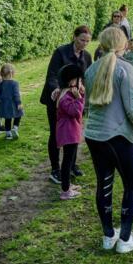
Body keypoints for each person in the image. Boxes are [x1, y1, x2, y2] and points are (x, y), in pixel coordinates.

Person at [83, 27, 133, 253]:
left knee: (104, 184)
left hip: (94, 135)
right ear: (123, 45)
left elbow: (87, 106)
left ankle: (109, 235)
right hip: (118, 136)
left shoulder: (91, 69)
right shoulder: (125, 69)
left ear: (101, 44)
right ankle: (125, 238)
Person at [40, 25, 92, 184]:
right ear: (74, 36)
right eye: (82, 40)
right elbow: (52, 75)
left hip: (76, 101)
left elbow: (87, 76)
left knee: (75, 132)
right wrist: (56, 89)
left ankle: (71, 165)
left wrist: (84, 90)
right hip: (58, 100)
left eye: (87, 41)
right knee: (56, 133)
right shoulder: (60, 52)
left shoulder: (87, 56)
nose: (84, 43)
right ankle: (55, 169)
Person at [56, 64, 85, 200]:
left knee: (69, 160)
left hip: (70, 131)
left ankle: (67, 185)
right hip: (69, 133)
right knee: (67, 161)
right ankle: (65, 191)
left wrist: (80, 95)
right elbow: (76, 112)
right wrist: (79, 98)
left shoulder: (66, 93)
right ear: (72, 81)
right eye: (78, 79)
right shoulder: (66, 97)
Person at [0, 64, 23, 140]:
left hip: (4, 104)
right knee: (19, 114)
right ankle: (15, 128)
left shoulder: (0, 84)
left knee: (7, 118)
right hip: (13, 103)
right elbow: (16, 94)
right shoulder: (14, 83)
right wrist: (19, 103)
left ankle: (8, 134)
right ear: (11, 73)